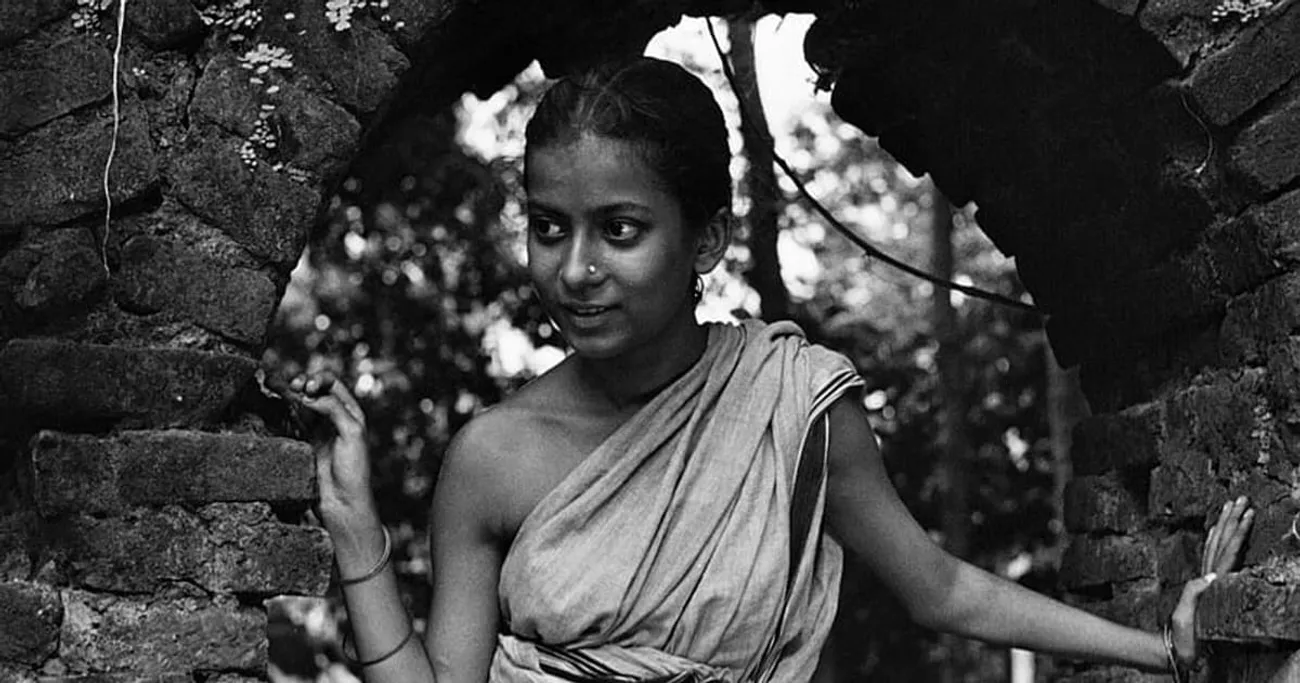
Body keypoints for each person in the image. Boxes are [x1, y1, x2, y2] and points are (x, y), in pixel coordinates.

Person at [290, 56, 1255, 683]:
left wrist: (1166, 654)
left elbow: (940, 589)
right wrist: (357, 532)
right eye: (549, 227)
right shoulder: (492, 457)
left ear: (706, 239)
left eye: (619, 230)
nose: (575, 269)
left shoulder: (791, 404)